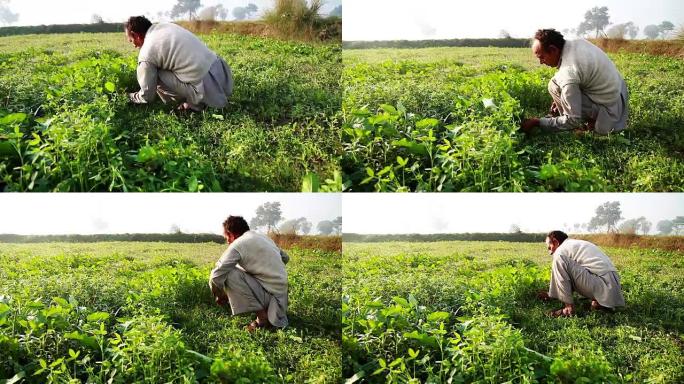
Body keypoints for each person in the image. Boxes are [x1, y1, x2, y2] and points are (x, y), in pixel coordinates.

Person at [521, 29, 628, 135]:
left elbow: (573, 120)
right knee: (557, 82)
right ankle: (577, 116)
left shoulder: (568, 73)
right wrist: (563, 99)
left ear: (553, 49)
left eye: (542, 57)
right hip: (618, 90)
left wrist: (538, 122)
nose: (541, 62)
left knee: (553, 86)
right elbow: (581, 76)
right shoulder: (573, 43)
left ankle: (590, 123)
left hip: (609, 109)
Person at [124, 16, 234, 111]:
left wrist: (130, 97)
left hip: (206, 90)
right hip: (222, 76)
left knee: (155, 73)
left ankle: (194, 105)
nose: (133, 45)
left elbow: (147, 96)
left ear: (136, 35)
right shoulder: (166, 26)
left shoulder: (147, 53)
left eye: (131, 40)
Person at [209, 216, 289, 331]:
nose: (227, 241)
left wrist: (220, 295)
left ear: (231, 234)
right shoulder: (264, 238)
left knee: (230, 272)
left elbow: (215, 277)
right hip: (282, 298)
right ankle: (268, 312)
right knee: (241, 268)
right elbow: (285, 258)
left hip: (269, 296)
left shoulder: (237, 244)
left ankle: (262, 319)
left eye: (226, 237)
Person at [538, 230, 625, 317]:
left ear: (556, 242)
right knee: (565, 262)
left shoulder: (560, 250)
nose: (549, 250)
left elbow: (565, 278)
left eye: (549, 246)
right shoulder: (574, 244)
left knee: (558, 259)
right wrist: (551, 294)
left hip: (603, 284)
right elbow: (572, 276)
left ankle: (568, 309)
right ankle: (599, 303)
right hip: (611, 287)